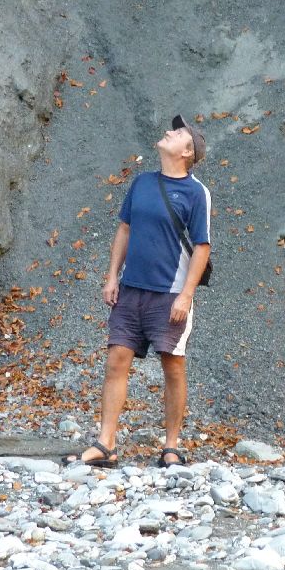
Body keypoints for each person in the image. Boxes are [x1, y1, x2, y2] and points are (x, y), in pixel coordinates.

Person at [79, 115, 211, 468]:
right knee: (116, 361)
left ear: (187, 152)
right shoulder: (141, 183)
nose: (169, 132)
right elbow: (124, 229)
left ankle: (171, 446)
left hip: (169, 294)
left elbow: (202, 247)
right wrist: (112, 277)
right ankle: (106, 444)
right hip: (131, 289)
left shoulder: (196, 193)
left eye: (178, 133)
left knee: (173, 366)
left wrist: (186, 295)